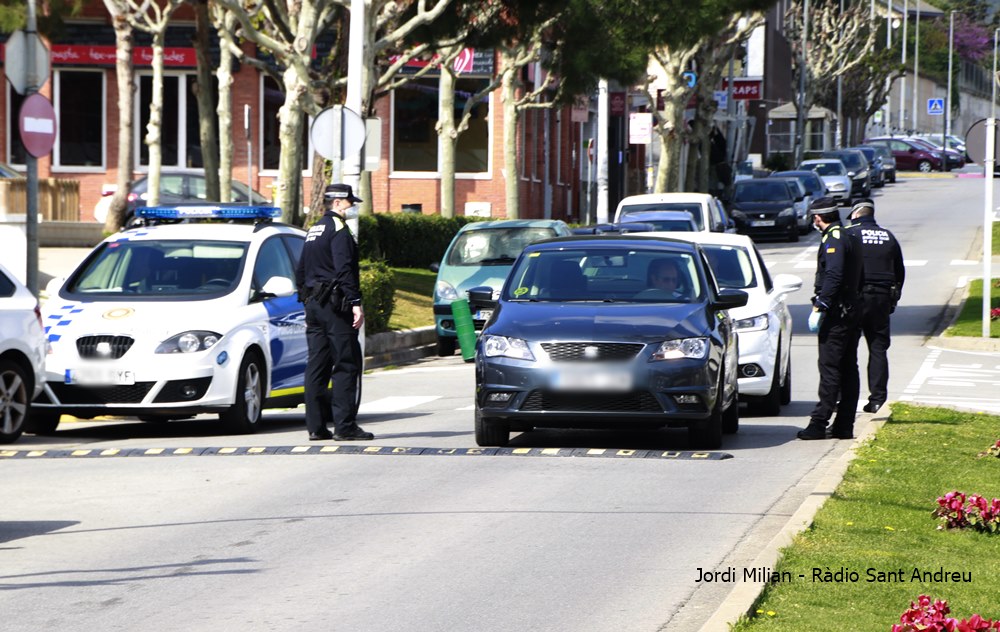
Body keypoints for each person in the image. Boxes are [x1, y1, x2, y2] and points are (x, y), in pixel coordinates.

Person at [295, 183, 373, 441]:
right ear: (337, 202)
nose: (353, 206)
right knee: (346, 364)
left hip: (314, 306)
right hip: (335, 307)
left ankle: (316, 428)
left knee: (316, 366)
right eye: (350, 202)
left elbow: (301, 269)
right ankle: (345, 426)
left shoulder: (313, 229)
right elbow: (344, 269)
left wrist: (305, 299)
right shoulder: (339, 230)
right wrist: (355, 302)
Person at [797, 196, 865, 441]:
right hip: (851, 310)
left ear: (817, 218)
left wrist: (822, 305)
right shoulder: (850, 236)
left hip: (838, 314)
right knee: (848, 368)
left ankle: (819, 422)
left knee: (830, 368)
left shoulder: (834, 238)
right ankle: (844, 425)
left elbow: (834, 275)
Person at [846, 199, 904, 414]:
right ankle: (878, 400)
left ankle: (846, 400)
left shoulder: (850, 234)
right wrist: (893, 298)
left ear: (855, 214)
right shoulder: (888, 236)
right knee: (878, 348)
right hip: (881, 298)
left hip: (855, 297)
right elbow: (899, 271)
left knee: (848, 348)